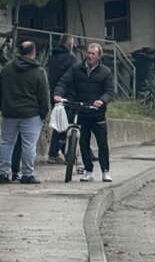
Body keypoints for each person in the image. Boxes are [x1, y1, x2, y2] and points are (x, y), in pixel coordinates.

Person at [54, 42, 114, 182]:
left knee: (102, 143)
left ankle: (105, 171)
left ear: (99, 56)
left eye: (93, 54)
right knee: (83, 142)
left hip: (97, 112)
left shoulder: (105, 72)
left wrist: (101, 100)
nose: (90, 56)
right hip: (81, 110)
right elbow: (64, 81)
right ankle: (88, 171)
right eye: (88, 53)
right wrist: (58, 93)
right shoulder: (76, 68)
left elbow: (109, 91)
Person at [0, 41, 50, 184]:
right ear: (33, 52)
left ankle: (3, 173)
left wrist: (3, 108)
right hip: (31, 114)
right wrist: (44, 113)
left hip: (9, 112)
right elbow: (44, 96)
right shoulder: (39, 71)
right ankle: (27, 174)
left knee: (6, 143)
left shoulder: (6, 69)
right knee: (29, 145)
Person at [46, 34, 79, 163]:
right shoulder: (71, 59)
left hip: (55, 94)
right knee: (66, 125)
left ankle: (58, 153)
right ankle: (60, 153)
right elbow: (76, 76)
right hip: (68, 95)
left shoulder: (52, 57)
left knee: (59, 124)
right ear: (70, 44)